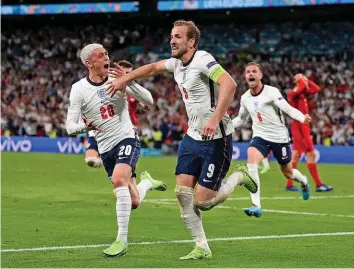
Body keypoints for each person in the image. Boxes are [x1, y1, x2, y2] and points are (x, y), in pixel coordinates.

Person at [106, 20, 258, 260]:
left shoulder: (203, 59)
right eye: (171, 36)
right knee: (182, 193)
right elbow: (152, 68)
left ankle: (239, 176)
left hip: (217, 138)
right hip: (192, 137)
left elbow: (229, 84)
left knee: (203, 202)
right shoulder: (177, 63)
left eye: (177, 36)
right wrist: (126, 79)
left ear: (191, 42)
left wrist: (213, 119)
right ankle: (202, 246)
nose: (172, 40)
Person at [66, 43, 167, 258]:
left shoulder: (117, 79)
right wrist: (87, 127)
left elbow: (148, 100)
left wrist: (128, 80)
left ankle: (121, 239)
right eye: (100, 55)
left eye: (106, 54)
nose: (106, 57)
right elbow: (70, 127)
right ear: (89, 63)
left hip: (126, 137)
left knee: (119, 180)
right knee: (134, 202)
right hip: (105, 147)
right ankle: (146, 183)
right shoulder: (78, 89)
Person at [232, 62, 311, 218]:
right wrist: (221, 127)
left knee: (287, 173)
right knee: (251, 159)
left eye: (254, 71)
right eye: (248, 72)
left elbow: (287, 109)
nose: (251, 74)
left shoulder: (271, 92)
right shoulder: (245, 98)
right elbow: (240, 120)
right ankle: (256, 205)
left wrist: (303, 118)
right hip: (260, 136)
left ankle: (303, 181)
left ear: (260, 75)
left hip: (280, 138)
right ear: (245, 77)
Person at [286, 74, 333, 192]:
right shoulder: (293, 93)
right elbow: (302, 86)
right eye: (301, 78)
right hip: (300, 127)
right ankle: (319, 185)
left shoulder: (301, 93)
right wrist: (303, 79)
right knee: (310, 154)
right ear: (296, 81)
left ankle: (289, 184)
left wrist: (307, 80)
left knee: (296, 155)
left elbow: (316, 89)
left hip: (303, 126)